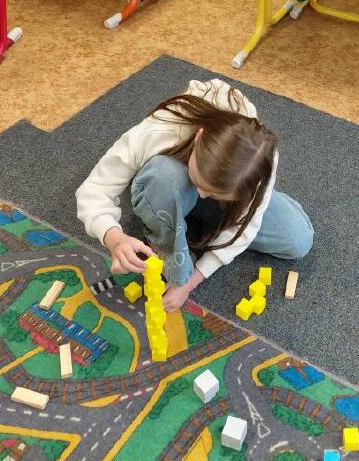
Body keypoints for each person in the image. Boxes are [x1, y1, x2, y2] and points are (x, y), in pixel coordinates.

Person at [75, 78, 313, 312]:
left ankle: (194, 222)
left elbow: (245, 227)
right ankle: (166, 226)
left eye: (215, 192)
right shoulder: (159, 130)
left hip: (226, 198)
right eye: (198, 181)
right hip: (161, 187)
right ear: (199, 137)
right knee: (165, 175)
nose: (202, 194)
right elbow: (93, 191)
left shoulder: (260, 158)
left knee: (298, 240)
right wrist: (114, 238)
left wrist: (192, 281)